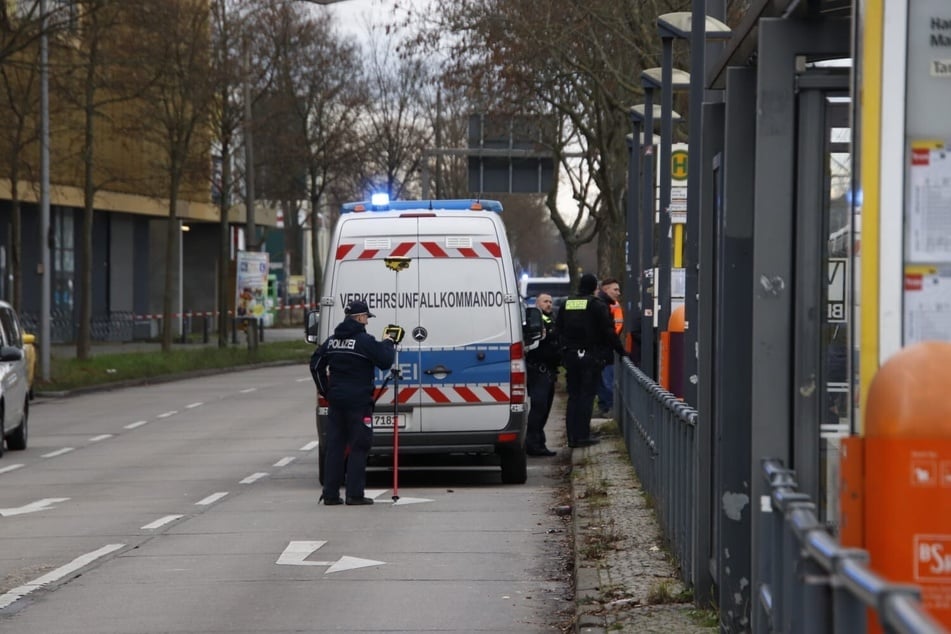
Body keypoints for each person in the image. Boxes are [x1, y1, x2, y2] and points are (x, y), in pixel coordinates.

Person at [310, 299, 396, 506]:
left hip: (337, 401)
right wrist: (388, 342)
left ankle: (330, 494)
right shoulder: (364, 341)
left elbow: (315, 366)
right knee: (359, 445)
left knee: (335, 446)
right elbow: (385, 361)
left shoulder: (331, 342)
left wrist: (326, 390)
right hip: (359, 402)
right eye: (366, 317)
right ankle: (354, 494)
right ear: (358, 318)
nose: (367, 321)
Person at [556, 273, 625, 448]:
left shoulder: (567, 303)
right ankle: (582, 436)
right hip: (590, 357)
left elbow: (559, 330)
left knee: (574, 397)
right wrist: (622, 352)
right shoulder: (597, 305)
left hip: (571, 356)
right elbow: (609, 333)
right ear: (595, 288)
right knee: (586, 397)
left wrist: (563, 353)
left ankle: (572, 437)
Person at [525, 293, 560, 457]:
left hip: (548, 371)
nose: (549, 304)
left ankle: (538, 442)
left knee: (544, 409)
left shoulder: (551, 318)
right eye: (545, 301)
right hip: (538, 371)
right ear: (537, 304)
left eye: (550, 302)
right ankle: (533, 443)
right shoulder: (536, 321)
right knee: (539, 408)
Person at [595, 278, 623, 417]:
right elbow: (611, 330)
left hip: (604, 349)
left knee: (605, 381)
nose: (618, 293)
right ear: (605, 290)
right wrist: (620, 349)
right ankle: (609, 408)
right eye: (615, 289)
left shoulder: (608, 304)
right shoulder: (603, 305)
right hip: (605, 349)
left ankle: (606, 407)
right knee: (606, 381)